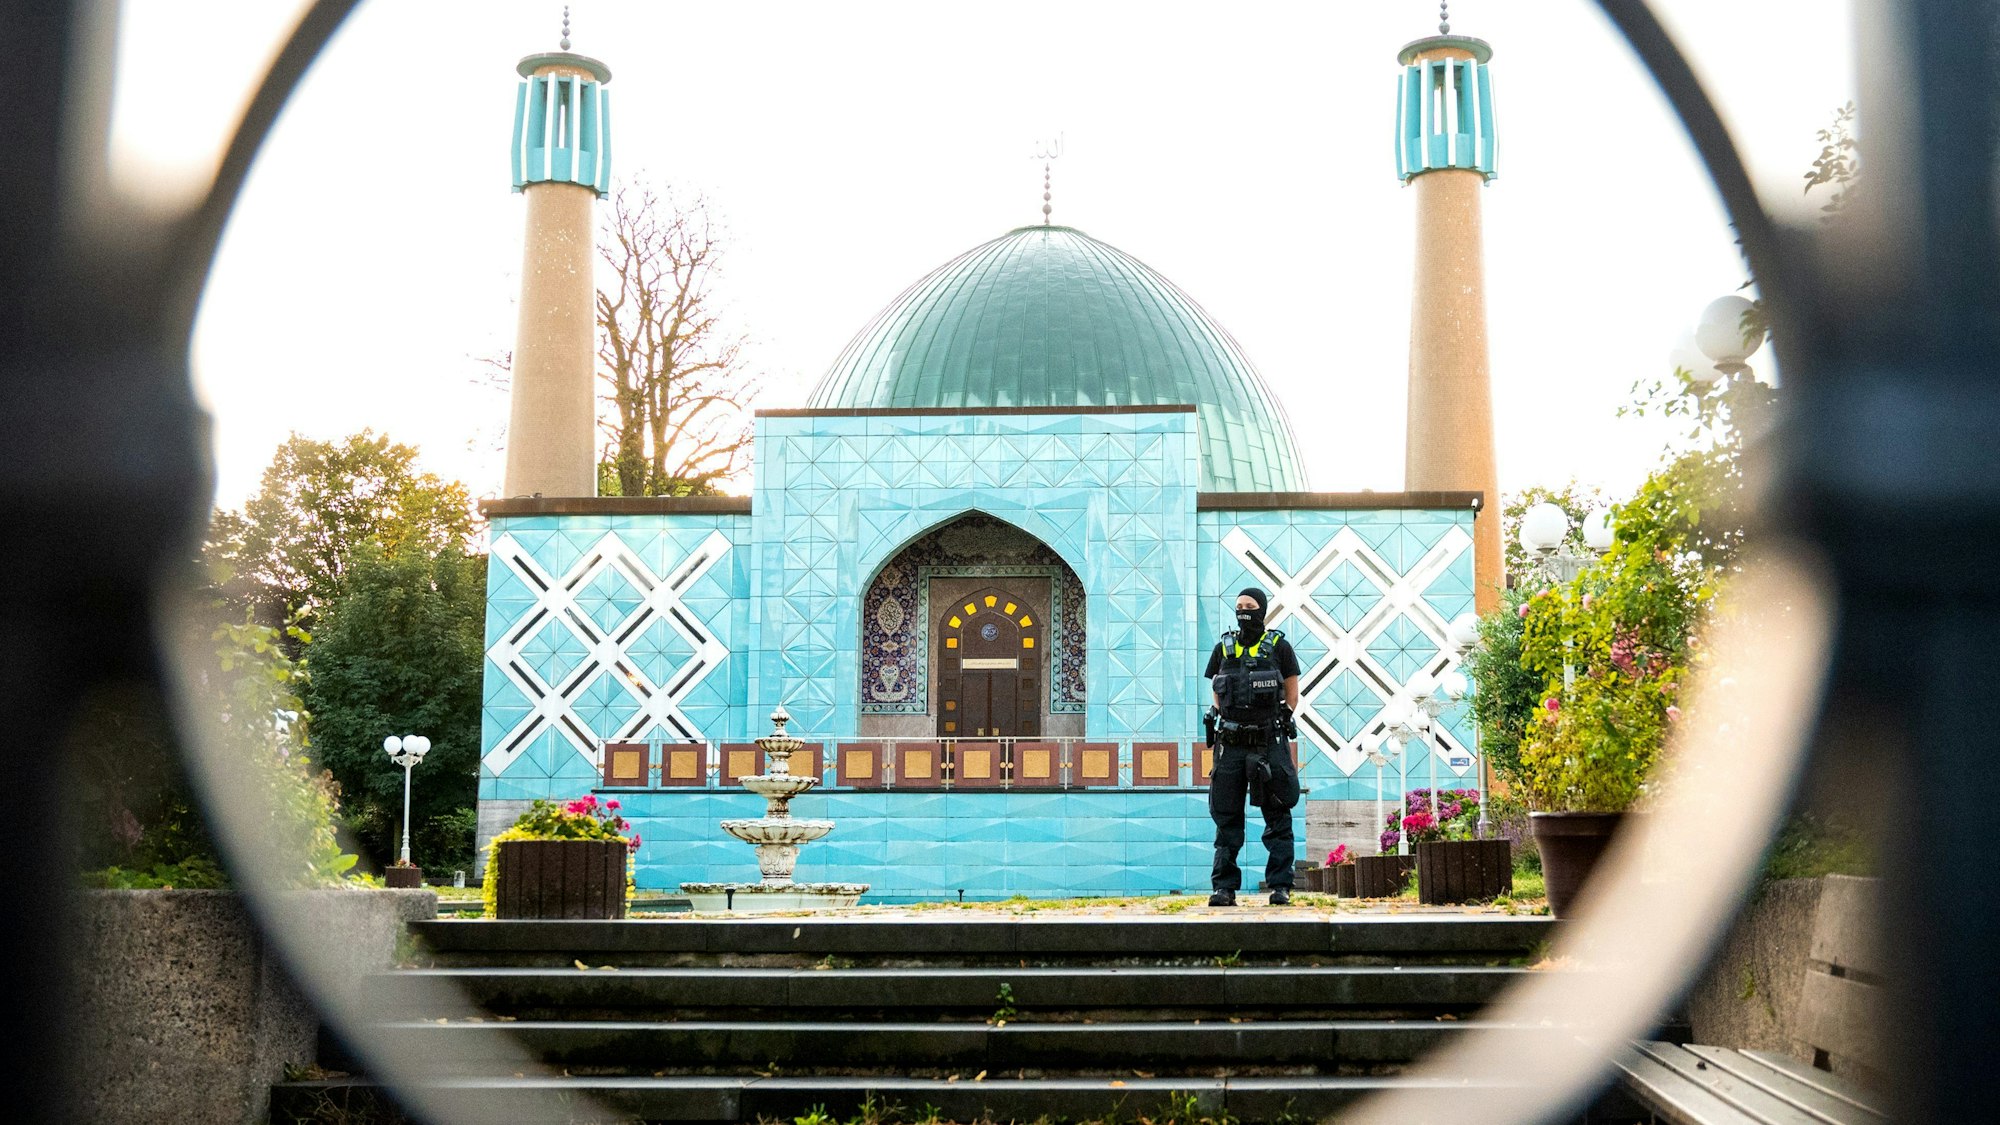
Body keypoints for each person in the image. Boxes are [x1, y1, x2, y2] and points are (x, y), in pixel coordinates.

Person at [1203, 586, 1301, 906]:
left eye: (1250, 605)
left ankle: (1280, 885)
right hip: (1230, 743)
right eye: (1239, 606)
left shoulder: (1279, 647)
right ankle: (1224, 888)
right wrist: (1218, 715)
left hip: (1267, 740)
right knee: (1227, 817)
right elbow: (1216, 688)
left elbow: (1291, 690)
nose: (1244, 610)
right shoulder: (1223, 647)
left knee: (1277, 814)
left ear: (1262, 610)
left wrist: (1284, 715)